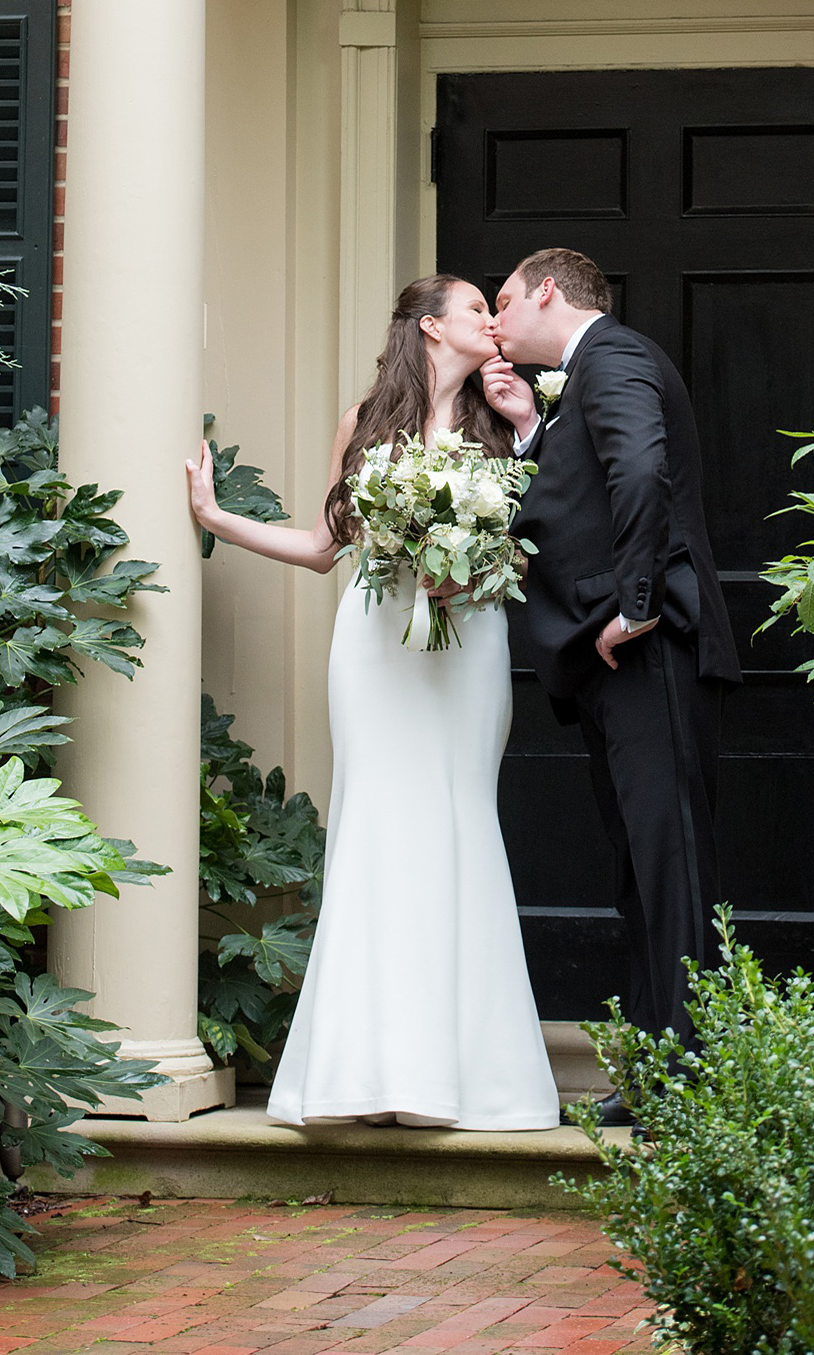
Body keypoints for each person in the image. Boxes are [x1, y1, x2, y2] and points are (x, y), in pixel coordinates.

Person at [186, 274, 559, 1131]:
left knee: (459, 826)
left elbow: (544, 546)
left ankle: (463, 1079)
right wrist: (216, 517)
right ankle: (364, 1077)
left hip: (467, 646)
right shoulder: (365, 425)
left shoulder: (506, 425)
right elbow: (325, 548)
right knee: (377, 833)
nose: (493, 322)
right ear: (431, 328)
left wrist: (468, 564)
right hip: (375, 647)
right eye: (476, 309)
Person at [482, 248, 741, 1105]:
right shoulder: (579, 378)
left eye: (505, 300)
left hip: (646, 650)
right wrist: (529, 435)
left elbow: (642, 470)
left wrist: (636, 605)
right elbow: (580, 498)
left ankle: (690, 1079)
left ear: (548, 291)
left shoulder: (616, 356)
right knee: (640, 862)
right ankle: (662, 1073)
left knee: (670, 863)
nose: (495, 318)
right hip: (614, 663)